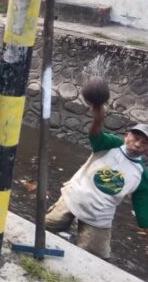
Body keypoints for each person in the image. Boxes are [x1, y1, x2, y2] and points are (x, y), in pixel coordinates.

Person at [46, 105, 148, 259]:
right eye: (136, 138)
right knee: (45, 227)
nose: (138, 144)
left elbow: (143, 208)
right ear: (127, 136)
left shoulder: (142, 174)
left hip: (99, 215)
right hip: (74, 197)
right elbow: (95, 135)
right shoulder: (111, 145)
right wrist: (98, 117)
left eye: (145, 143)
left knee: (97, 257)